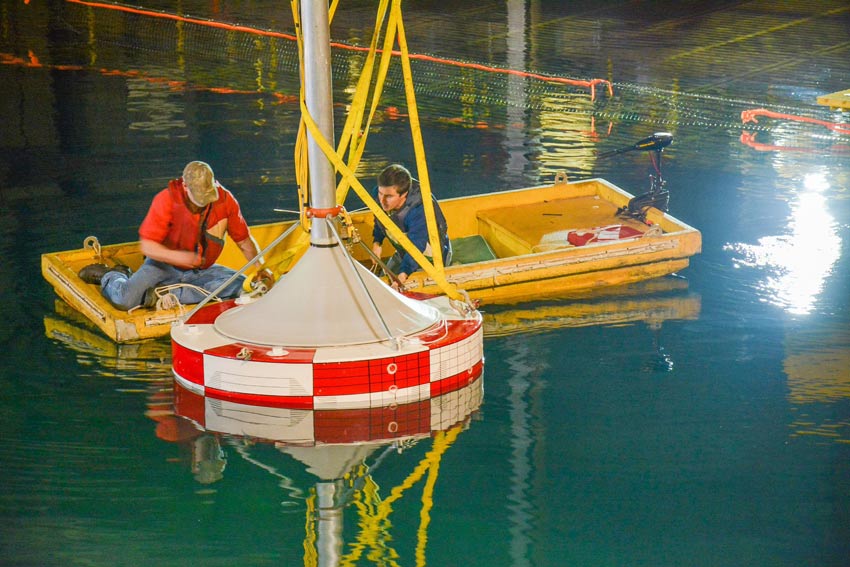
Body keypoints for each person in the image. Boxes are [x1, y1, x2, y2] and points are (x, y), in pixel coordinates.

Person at [79, 161, 272, 310]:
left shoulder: (226, 200)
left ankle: (162, 294)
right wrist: (181, 257)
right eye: (200, 199)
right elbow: (148, 246)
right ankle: (113, 275)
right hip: (162, 266)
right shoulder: (166, 200)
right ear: (186, 187)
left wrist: (260, 267)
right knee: (125, 300)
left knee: (244, 288)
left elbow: (244, 241)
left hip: (201, 270)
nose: (205, 203)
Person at [371, 164, 451, 287]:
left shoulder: (419, 210)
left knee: (403, 287)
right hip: (403, 251)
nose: (382, 200)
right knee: (380, 282)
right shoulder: (380, 196)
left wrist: (402, 276)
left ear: (404, 194)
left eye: (389, 196)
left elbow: (417, 247)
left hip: (429, 257)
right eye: (380, 193)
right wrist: (377, 243)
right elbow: (380, 220)